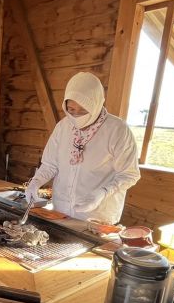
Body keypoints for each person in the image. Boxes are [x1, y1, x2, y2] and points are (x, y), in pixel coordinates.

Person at [25, 72, 140, 224]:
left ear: (97, 104)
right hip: (61, 211)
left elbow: (129, 174)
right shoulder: (63, 127)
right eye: (71, 109)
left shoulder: (117, 130)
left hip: (97, 216)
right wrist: (36, 182)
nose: (76, 115)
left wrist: (103, 192)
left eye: (83, 110)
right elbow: (50, 164)